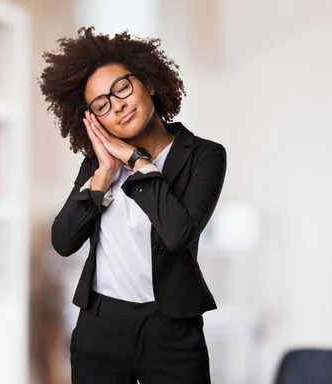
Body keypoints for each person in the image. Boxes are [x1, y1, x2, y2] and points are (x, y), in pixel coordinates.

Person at [38, 27, 227, 384]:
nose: (118, 105)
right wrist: (103, 176)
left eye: (122, 88)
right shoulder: (96, 164)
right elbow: (63, 241)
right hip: (100, 327)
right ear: (96, 121)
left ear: (149, 83)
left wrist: (138, 163)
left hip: (171, 330)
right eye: (102, 105)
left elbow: (178, 234)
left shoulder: (204, 155)